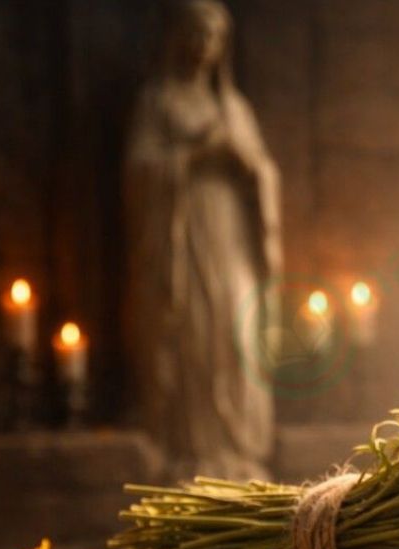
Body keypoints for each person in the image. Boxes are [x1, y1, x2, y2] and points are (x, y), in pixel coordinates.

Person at [124, 0, 281, 480]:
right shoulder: (158, 100)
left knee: (235, 329)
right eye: (194, 34)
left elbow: (266, 171)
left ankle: (238, 451)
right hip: (184, 229)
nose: (202, 47)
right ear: (177, 38)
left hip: (231, 228)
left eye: (212, 38)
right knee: (194, 327)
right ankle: (191, 452)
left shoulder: (234, 108)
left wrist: (250, 166)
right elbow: (139, 169)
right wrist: (193, 157)